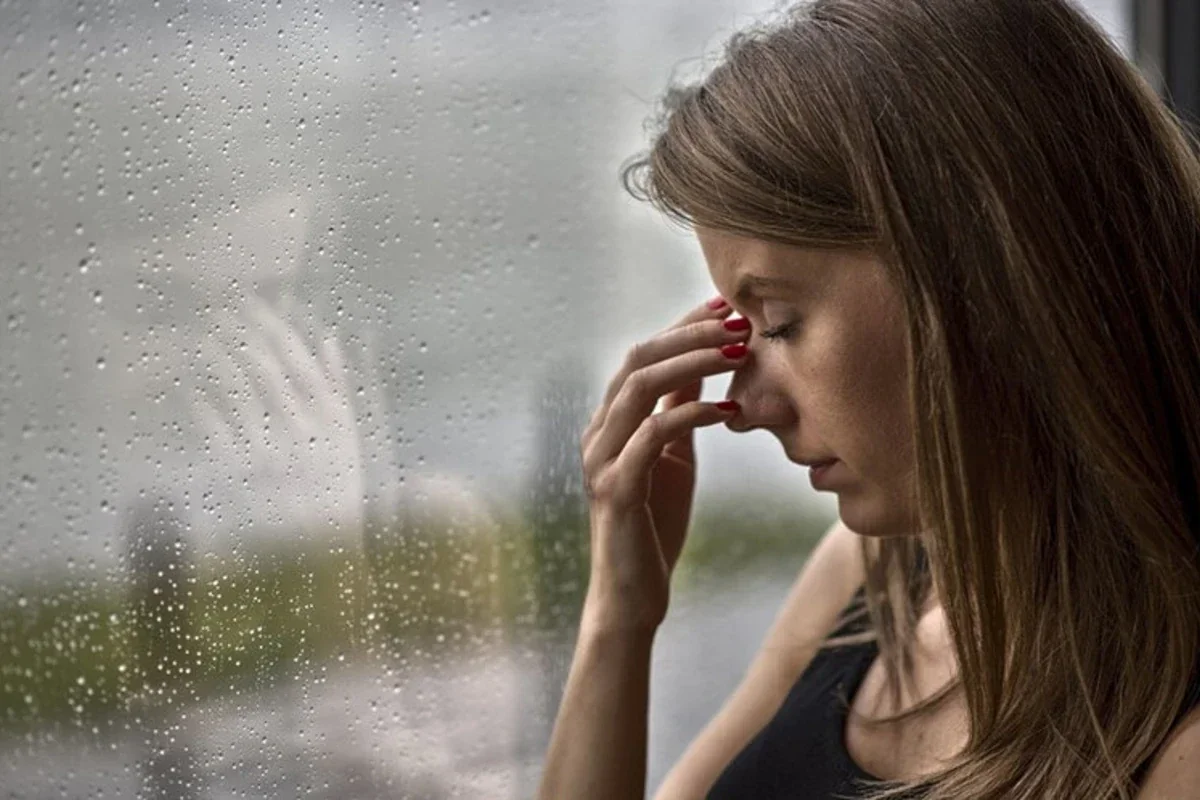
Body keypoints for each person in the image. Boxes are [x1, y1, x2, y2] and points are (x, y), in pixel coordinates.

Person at [535, 0, 1200, 798]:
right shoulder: (871, 577)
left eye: (778, 323)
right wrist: (618, 618)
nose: (741, 407)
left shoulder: (1176, 746)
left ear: (986, 280)